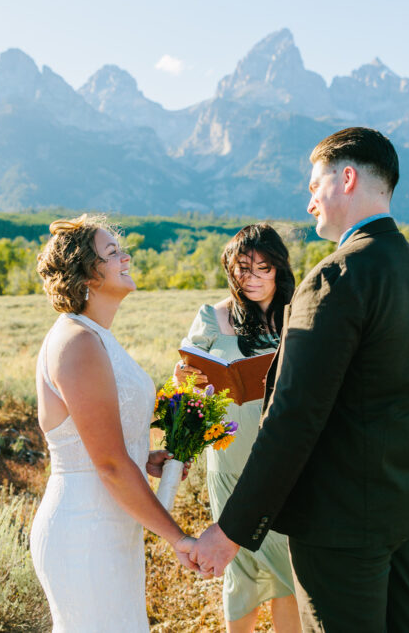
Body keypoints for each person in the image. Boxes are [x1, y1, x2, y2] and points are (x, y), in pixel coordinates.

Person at [188, 128, 409, 632]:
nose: (309, 201)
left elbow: (292, 418)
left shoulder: (335, 278)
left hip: (343, 524)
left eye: (314, 186)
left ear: (347, 178)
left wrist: (231, 531)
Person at [29, 214, 195, 632]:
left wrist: (145, 458)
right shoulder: (77, 342)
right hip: (84, 530)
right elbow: (107, 464)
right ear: (87, 274)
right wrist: (180, 538)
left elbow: (112, 450)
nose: (127, 256)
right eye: (112, 252)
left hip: (110, 525)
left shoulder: (96, 336)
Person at [173, 224, 302, 633]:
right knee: (239, 569)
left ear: (279, 269)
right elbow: (189, 386)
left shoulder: (299, 314)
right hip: (227, 463)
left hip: (285, 467)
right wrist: (185, 383)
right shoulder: (212, 317)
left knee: (287, 570)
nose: (252, 278)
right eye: (242, 269)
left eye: (263, 268)